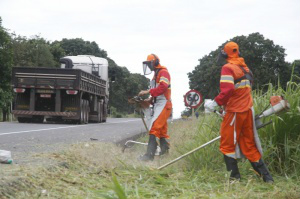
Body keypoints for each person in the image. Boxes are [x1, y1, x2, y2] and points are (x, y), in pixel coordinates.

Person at [204, 42, 274, 183]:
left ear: (225, 54)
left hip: (235, 111)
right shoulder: (245, 69)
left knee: (227, 145)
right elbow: (240, 91)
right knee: (248, 144)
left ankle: (234, 179)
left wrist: (215, 103)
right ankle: (267, 178)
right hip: (247, 110)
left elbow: (228, 90)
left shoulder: (227, 68)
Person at [138, 54, 172, 161]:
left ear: (155, 62)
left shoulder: (163, 72)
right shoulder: (155, 75)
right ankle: (164, 152)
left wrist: (148, 91)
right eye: (147, 65)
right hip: (159, 104)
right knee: (161, 131)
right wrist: (150, 100)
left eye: (149, 64)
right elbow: (156, 92)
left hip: (164, 104)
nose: (148, 67)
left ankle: (149, 156)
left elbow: (163, 87)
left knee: (154, 128)